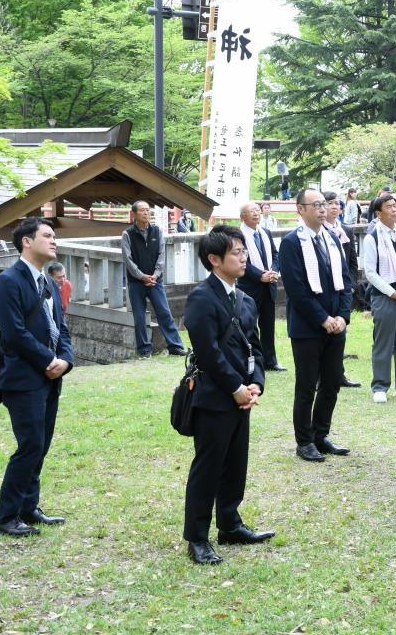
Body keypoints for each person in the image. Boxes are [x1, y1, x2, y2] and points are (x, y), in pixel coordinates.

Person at [181, 225, 273, 565]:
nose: (244, 257)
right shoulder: (202, 298)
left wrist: (256, 384)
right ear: (214, 259)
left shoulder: (245, 298)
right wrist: (235, 388)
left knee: (236, 463)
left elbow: (257, 347)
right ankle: (197, 537)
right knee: (208, 467)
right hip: (214, 396)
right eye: (237, 252)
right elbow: (208, 353)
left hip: (242, 396)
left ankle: (230, 524)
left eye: (244, 251)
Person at [0, 217, 73, 537]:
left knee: (42, 445)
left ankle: (28, 506)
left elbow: (62, 328)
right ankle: (6, 517)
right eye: (47, 235)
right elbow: (14, 332)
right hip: (22, 378)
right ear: (27, 241)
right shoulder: (9, 281)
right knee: (30, 444)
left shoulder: (49, 282)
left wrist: (65, 359)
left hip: (51, 376)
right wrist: (47, 359)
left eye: (54, 236)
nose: (54, 241)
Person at [281, 189, 354, 462]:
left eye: (325, 204)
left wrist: (342, 317)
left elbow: (346, 281)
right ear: (300, 209)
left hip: (337, 324)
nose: (323, 210)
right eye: (317, 205)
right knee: (307, 385)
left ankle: (321, 434)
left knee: (332, 382)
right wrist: (322, 319)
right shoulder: (292, 242)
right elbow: (296, 289)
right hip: (308, 327)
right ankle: (304, 441)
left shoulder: (332, 238)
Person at [362, 194, 396, 403]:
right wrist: (392, 293)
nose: (395, 209)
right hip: (385, 295)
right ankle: (380, 385)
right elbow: (370, 272)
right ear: (379, 213)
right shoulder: (372, 237)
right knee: (384, 341)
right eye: (389, 207)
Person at [121, 201, 188, 358]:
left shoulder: (157, 231)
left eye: (148, 210)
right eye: (142, 210)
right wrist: (142, 276)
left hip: (155, 280)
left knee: (164, 312)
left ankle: (175, 346)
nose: (146, 213)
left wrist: (155, 275)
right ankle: (144, 350)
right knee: (139, 316)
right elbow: (128, 260)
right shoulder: (127, 234)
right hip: (136, 282)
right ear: (134, 214)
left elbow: (161, 255)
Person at [237, 201, 284, 372]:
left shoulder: (265, 232)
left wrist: (273, 271)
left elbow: (276, 254)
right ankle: (249, 361)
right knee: (248, 324)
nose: (256, 213)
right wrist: (260, 276)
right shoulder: (238, 235)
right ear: (242, 216)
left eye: (257, 210)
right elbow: (242, 261)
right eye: (251, 211)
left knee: (268, 325)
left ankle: (270, 361)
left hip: (269, 285)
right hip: (250, 286)